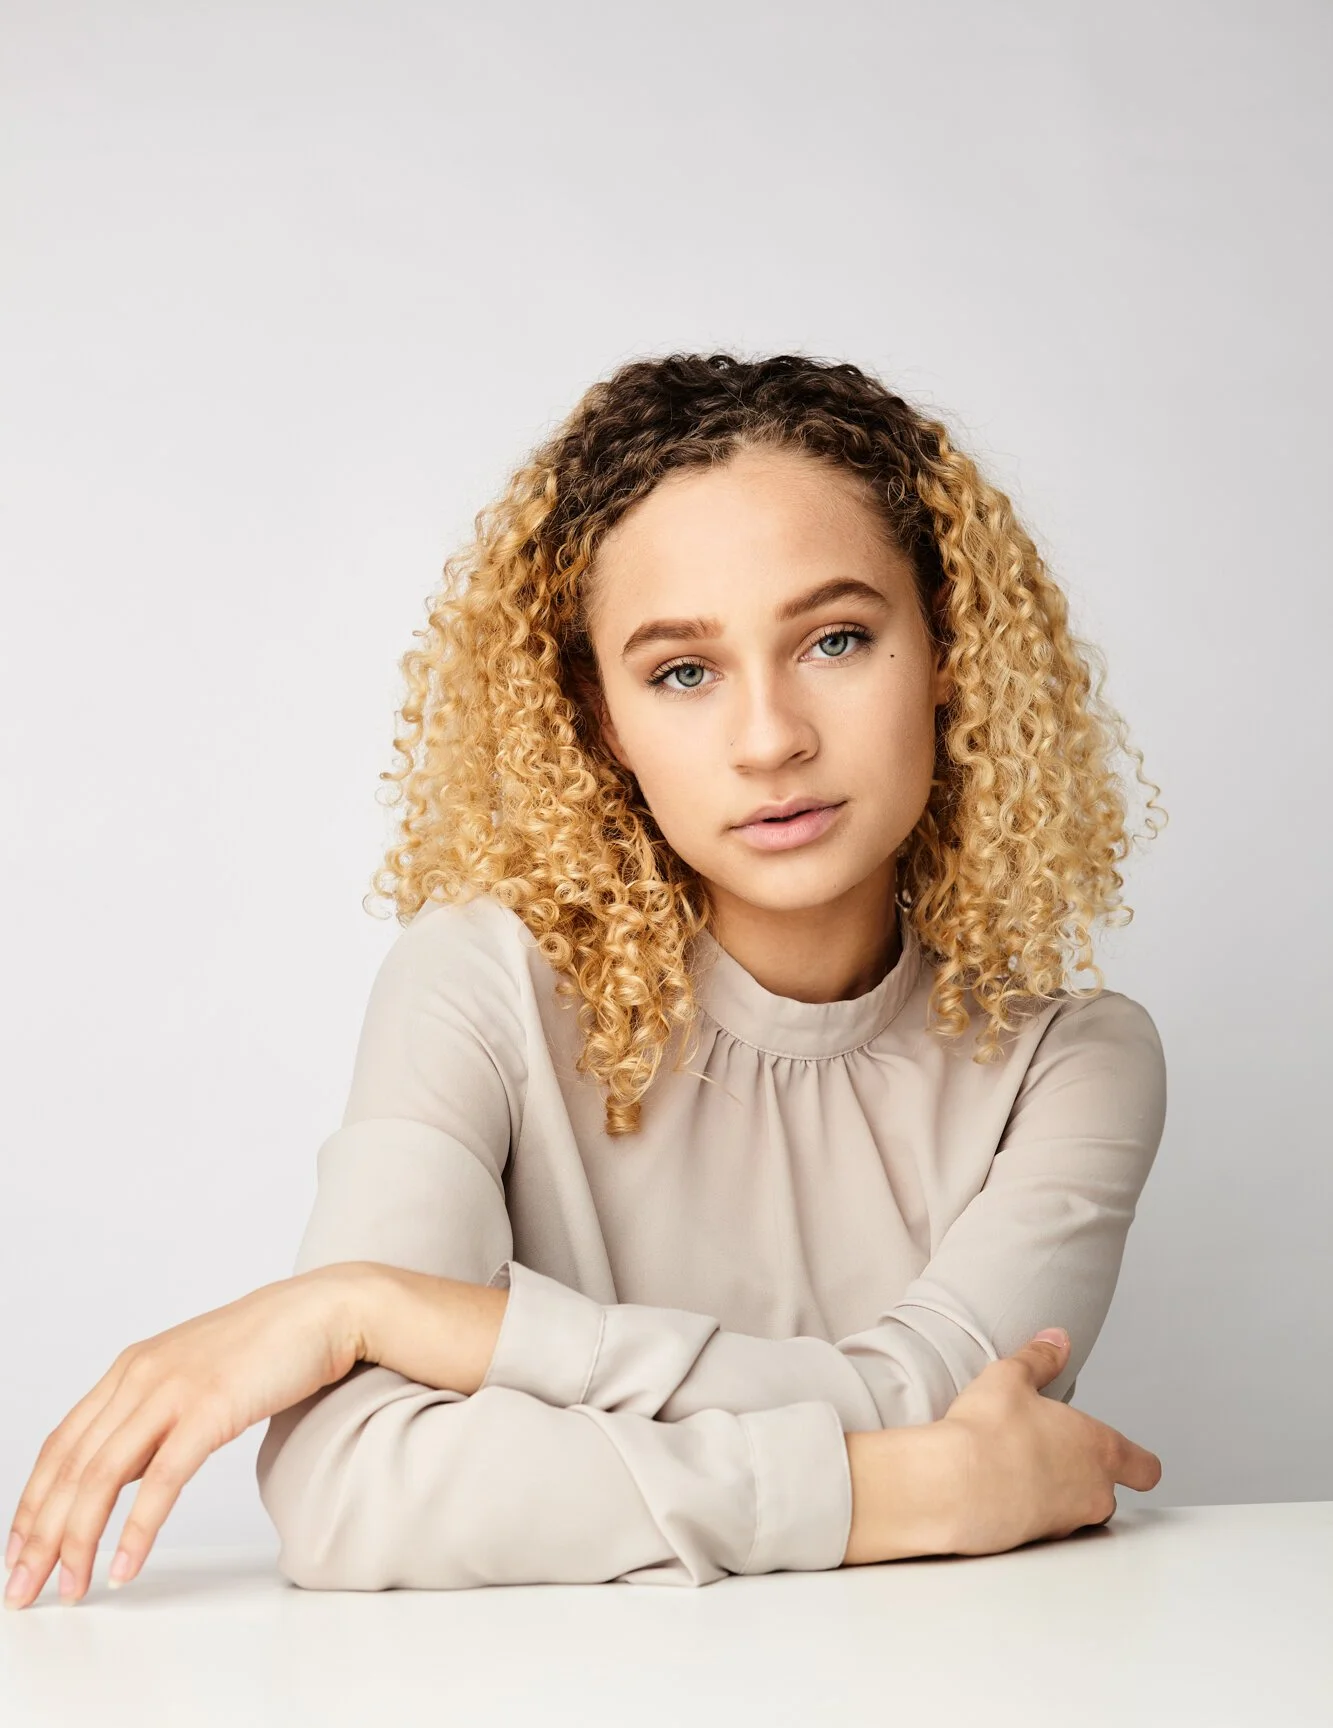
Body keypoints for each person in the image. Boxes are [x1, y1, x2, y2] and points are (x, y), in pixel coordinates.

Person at [4, 352, 1168, 1609]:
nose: (769, 736)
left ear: (948, 652)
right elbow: (353, 1489)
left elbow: (922, 1394)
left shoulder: (1073, 1063)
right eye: (682, 670)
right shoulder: (480, 985)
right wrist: (912, 1494)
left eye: (836, 638)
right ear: (601, 719)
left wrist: (397, 1312)